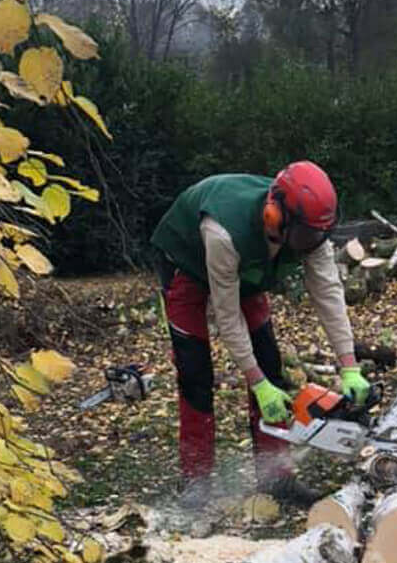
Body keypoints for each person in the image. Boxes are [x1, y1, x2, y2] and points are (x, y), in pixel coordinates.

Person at [151, 161, 370, 509]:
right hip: (186, 259)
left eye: (316, 236)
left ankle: (276, 477)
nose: (309, 244)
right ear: (275, 214)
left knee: (269, 360)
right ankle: (195, 481)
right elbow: (226, 315)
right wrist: (255, 381)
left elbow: (328, 291)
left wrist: (349, 365)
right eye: (304, 236)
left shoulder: (313, 233)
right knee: (195, 372)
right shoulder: (224, 233)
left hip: (246, 264)